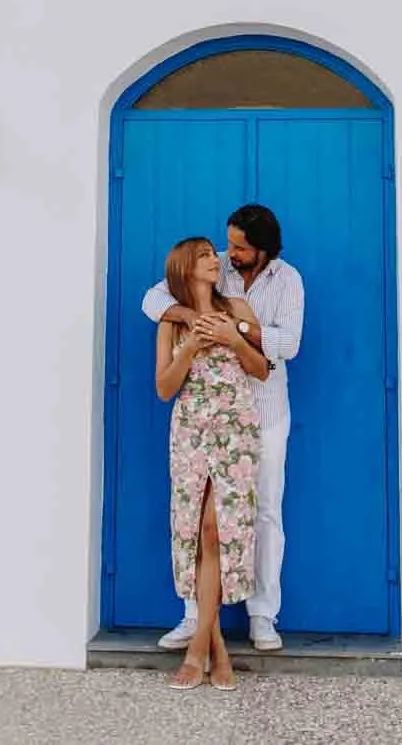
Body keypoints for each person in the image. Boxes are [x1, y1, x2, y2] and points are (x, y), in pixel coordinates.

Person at [144, 204, 304, 653]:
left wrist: (236, 329)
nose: (227, 253)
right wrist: (191, 320)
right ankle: (194, 618)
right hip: (205, 418)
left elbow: (287, 345)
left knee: (265, 511)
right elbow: (153, 300)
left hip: (265, 413)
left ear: (263, 251)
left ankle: (262, 615)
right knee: (197, 517)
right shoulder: (212, 264)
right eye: (227, 243)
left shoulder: (287, 281)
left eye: (238, 247)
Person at [154, 236, 269, 691]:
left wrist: (229, 339)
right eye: (203, 256)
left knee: (220, 529)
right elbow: (164, 388)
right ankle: (217, 648)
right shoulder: (170, 322)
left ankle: (197, 648)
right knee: (196, 531)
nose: (213, 261)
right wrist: (189, 349)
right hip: (189, 433)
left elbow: (261, 368)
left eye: (212, 255)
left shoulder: (238, 308)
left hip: (235, 431)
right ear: (185, 267)